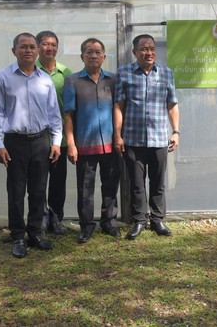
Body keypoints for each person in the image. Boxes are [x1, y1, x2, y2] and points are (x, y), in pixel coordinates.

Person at [0, 33, 62, 258]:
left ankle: (35, 232)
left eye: (32, 47)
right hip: (15, 143)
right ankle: (18, 236)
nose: (28, 50)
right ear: (14, 51)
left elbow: (54, 114)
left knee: (39, 191)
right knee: (16, 191)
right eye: (23, 47)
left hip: (41, 141)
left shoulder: (45, 79)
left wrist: (56, 142)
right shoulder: (2, 77)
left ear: (37, 51)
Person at [114, 34, 179, 240]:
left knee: (158, 181)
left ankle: (158, 219)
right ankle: (139, 220)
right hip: (133, 139)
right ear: (134, 52)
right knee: (137, 182)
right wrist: (118, 135)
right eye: (143, 49)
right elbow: (119, 105)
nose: (148, 52)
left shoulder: (166, 73)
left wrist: (176, 131)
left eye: (151, 48)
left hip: (160, 137)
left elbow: (172, 104)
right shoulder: (124, 73)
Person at [63, 38, 121, 243]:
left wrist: (119, 137)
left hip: (111, 144)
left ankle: (109, 222)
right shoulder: (73, 81)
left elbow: (118, 110)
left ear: (104, 56)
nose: (94, 55)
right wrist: (70, 143)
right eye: (89, 52)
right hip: (85, 144)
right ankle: (86, 226)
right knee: (85, 188)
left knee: (110, 186)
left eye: (98, 52)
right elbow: (68, 114)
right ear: (82, 56)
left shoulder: (113, 80)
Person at [36, 31, 72, 235]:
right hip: (37, 138)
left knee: (58, 181)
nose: (49, 48)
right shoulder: (32, 71)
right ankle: (41, 217)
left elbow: (69, 109)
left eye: (53, 44)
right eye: (45, 44)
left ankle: (57, 218)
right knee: (38, 182)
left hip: (61, 139)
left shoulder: (65, 72)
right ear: (38, 46)